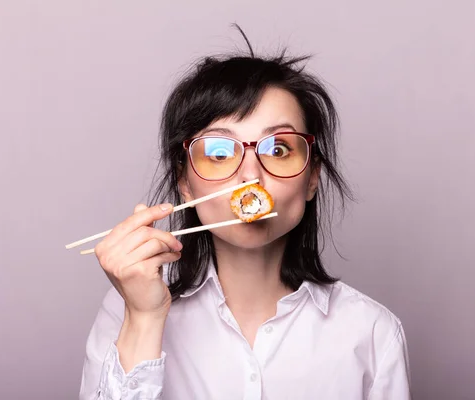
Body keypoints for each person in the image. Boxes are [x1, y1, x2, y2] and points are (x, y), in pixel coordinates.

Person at [79, 28, 411, 400]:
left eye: (279, 149)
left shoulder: (371, 332)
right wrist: (143, 318)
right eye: (220, 152)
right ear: (184, 182)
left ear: (313, 177)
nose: (250, 176)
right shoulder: (131, 305)